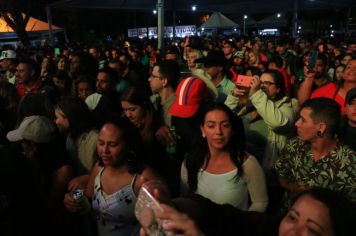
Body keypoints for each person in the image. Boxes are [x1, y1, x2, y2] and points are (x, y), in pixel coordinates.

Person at [64, 118, 161, 236]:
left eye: (112, 144)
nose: (104, 150)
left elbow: (160, 225)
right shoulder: (99, 168)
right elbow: (88, 196)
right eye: (101, 143)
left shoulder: (143, 179)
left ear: (128, 145)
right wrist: (73, 197)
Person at [139, 187, 355, 236]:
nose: (294, 231)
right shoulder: (267, 229)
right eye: (292, 217)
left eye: (313, 231)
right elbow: (218, 213)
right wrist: (170, 207)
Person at [181, 102, 268, 212]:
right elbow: (184, 198)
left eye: (225, 125)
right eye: (211, 126)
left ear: (232, 129)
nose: (218, 132)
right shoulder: (190, 160)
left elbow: (260, 202)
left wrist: (244, 226)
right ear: (202, 130)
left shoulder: (248, 164)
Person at [274, 98, 356, 211]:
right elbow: (281, 173)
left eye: (303, 120)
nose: (297, 124)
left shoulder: (349, 162)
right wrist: (293, 187)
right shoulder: (294, 146)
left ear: (321, 127)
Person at [6, 115, 74, 235]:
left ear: (34, 146)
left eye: (23, 143)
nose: (21, 147)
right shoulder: (40, 161)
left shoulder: (63, 171)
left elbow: (46, 207)